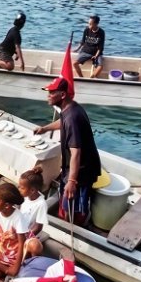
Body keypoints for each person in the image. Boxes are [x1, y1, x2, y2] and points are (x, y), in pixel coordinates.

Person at [34, 78, 101, 226]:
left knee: (73, 208)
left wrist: (72, 181)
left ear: (62, 95)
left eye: (52, 93)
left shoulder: (72, 118)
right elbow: (62, 122)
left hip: (82, 171)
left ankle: (74, 227)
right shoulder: (70, 108)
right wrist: (45, 129)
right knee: (69, 203)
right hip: (79, 168)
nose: (48, 96)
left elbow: (76, 153)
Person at [17, 166, 49, 259]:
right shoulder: (26, 197)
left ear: (32, 190)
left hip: (29, 235)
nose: (19, 189)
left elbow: (38, 227)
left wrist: (23, 235)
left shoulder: (41, 204)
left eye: (21, 188)